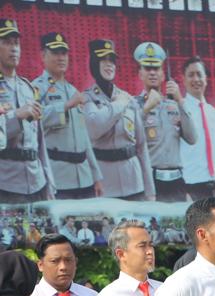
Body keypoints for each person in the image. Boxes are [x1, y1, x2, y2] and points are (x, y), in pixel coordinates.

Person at [83, 39, 154, 201]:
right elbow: (95, 128)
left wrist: (150, 190)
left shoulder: (128, 98)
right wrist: (118, 104)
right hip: (106, 184)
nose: (109, 65)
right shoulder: (87, 98)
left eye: (112, 61)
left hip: (134, 181)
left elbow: (141, 146)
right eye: (103, 60)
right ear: (94, 64)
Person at [34, 32, 101, 200]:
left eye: (64, 53)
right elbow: (33, 122)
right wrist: (64, 105)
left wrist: (96, 175)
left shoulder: (73, 90)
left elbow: (84, 137)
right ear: (43, 55)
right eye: (55, 53)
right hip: (58, 177)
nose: (61, 58)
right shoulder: (36, 88)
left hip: (84, 177)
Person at [0, 20, 56, 203]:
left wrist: (49, 183)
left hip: (36, 182)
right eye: (7, 42)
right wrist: (15, 116)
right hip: (5, 184)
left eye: (16, 43)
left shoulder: (29, 88)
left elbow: (40, 143)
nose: (14, 48)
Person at [132, 41, 195, 203]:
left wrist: (180, 101)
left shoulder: (173, 104)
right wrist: (146, 108)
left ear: (162, 74)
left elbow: (192, 138)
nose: (152, 73)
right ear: (140, 73)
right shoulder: (134, 104)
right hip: (150, 179)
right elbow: (128, 135)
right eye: (147, 68)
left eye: (156, 68)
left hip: (176, 179)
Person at [178, 56, 215, 198]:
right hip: (192, 187)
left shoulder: (213, 112)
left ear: (206, 78)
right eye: (191, 75)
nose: (196, 79)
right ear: (184, 79)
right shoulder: (179, 110)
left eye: (199, 74)